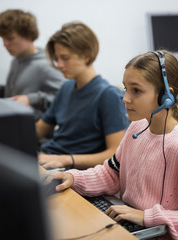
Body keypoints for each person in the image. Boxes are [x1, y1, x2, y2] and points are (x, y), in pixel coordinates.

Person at [45, 50, 178, 239]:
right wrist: (73, 178)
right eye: (125, 89)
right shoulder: (137, 127)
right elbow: (111, 174)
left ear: (166, 96)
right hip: (133, 226)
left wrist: (147, 216)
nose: (125, 98)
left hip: (155, 233)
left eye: (136, 90)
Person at [37, 21, 128, 170]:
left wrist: (65, 160)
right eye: (57, 58)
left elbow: (115, 154)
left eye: (65, 58)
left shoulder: (108, 95)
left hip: (68, 169)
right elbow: (41, 128)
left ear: (86, 56)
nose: (59, 64)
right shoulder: (66, 87)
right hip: (49, 158)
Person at [0, 9, 66, 120]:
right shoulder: (17, 60)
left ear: (28, 35)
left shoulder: (46, 65)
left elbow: (64, 99)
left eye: (10, 39)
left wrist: (32, 99)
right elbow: (26, 88)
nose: (5, 44)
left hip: (34, 132)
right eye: (3, 39)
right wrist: (0, 91)